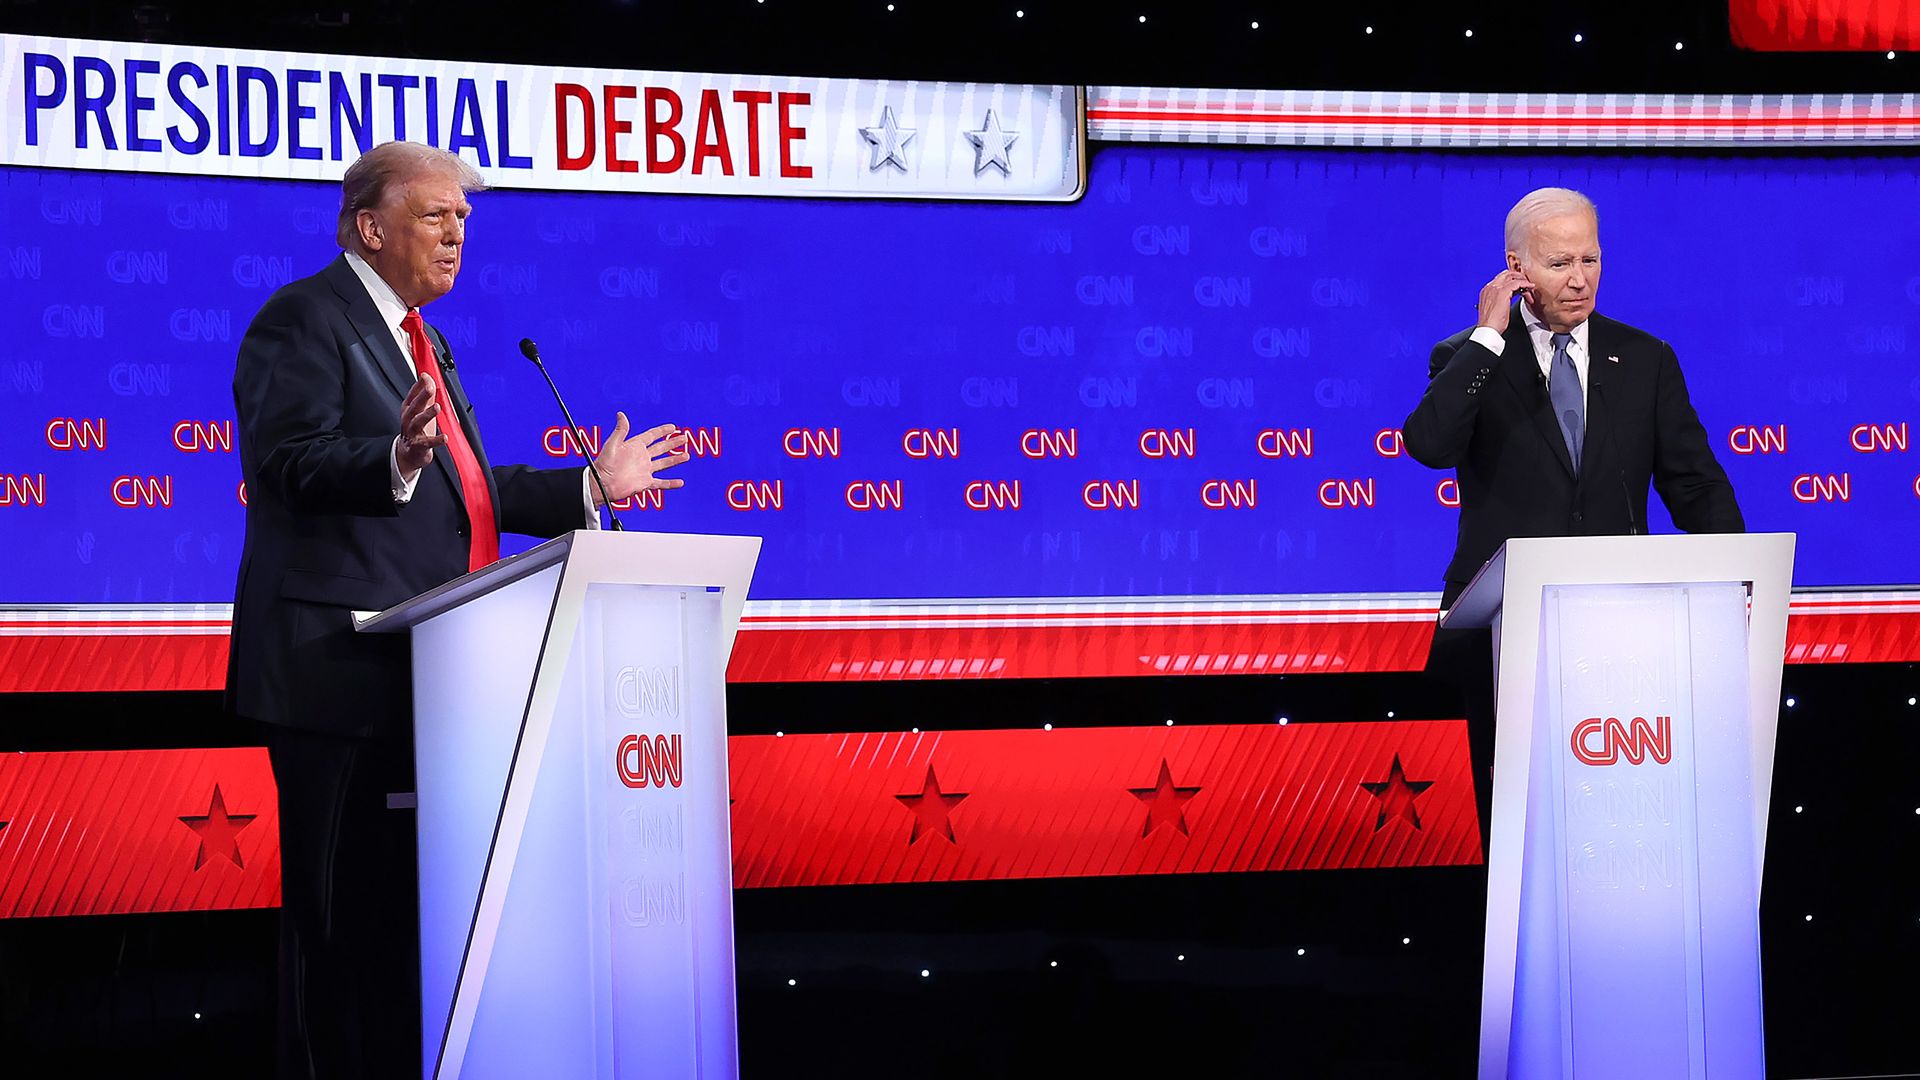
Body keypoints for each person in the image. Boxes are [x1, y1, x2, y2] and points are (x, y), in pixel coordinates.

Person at [227, 140, 689, 1078]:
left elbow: (469, 490)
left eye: (464, 219)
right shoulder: (304, 319)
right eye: (436, 215)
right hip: (334, 674)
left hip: (427, 677)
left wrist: (587, 487)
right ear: (370, 226)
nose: (457, 233)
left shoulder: (421, 339)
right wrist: (391, 461)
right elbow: (288, 461)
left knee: (396, 926)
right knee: (332, 930)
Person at [1402, 186, 1744, 834]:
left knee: (1614, 821)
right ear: (1516, 267)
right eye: (1560, 264)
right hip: (1504, 636)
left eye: (1590, 260)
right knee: (1509, 830)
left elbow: (1694, 485)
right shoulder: (1468, 357)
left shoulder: (1646, 358)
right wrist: (1486, 338)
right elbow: (1428, 444)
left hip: (1622, 633)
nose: (1580, 280)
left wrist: (1735, 581)